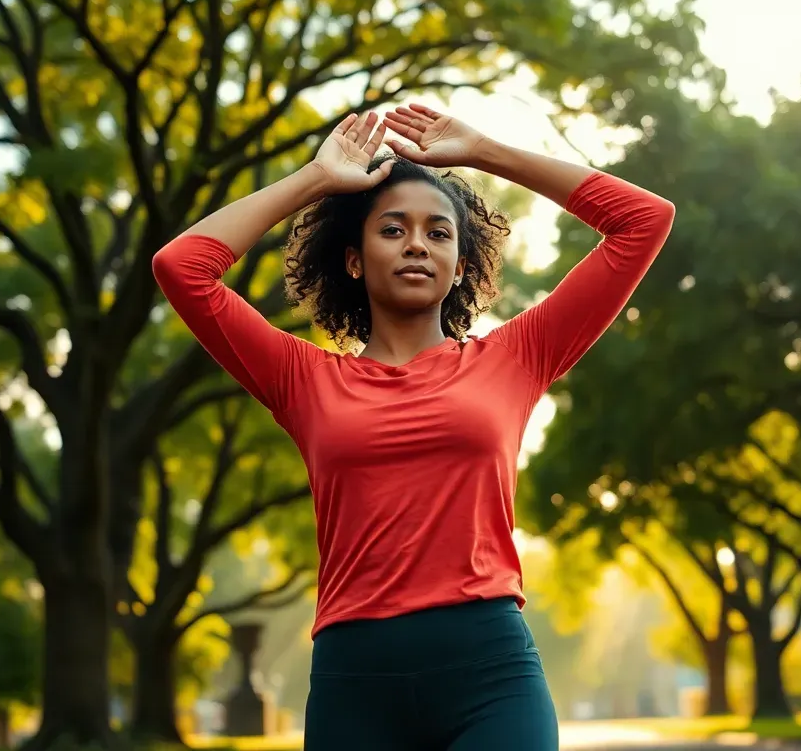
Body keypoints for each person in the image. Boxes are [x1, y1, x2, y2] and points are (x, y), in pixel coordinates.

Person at [153, 103, 675, 751]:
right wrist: (317, 179)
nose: (416, 245)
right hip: (355, 683)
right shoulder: (303, 379)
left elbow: (642, 222)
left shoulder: (516, 357)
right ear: (353, 259)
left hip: (491, 677)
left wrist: (484, 152)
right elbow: (182, 266)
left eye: (438, 233)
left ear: (460, 265)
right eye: (392, 230)